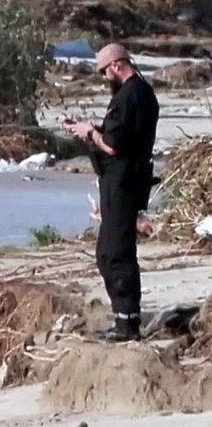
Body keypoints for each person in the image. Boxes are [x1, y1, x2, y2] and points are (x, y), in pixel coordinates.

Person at [64, 43, 159, 342]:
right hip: (129, 180)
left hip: (123, 182)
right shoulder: (144, 93)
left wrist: (89, 132)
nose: (106, 77)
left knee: (115, 253)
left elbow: (113, 145)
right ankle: (124, 318)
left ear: (117, 66)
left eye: (106, 71)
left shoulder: (128, 95)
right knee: (110, 251)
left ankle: (127, 323)